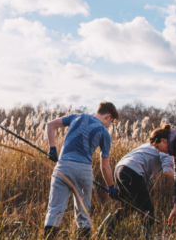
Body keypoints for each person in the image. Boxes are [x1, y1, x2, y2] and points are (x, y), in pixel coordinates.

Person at [43, 102, 119, 239]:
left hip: (62, 167)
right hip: (83, 172)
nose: (109, 125)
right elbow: (105, 166)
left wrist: (52, 149)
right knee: (83, 215)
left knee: (54, 211)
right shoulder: (104, 132)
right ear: (108, 116)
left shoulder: (76, 117)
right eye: (111, 122)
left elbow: (50, 125)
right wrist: (111, 187)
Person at [100, 142, 176, 235]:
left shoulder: (152, 144)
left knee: (129, 206)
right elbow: (168, 172)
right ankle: (146, 237)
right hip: (132, 170)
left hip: (120, 169)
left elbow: (145, 164)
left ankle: (104, 229)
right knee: (147, 210)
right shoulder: (168, 150)